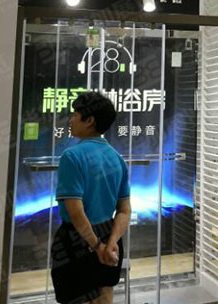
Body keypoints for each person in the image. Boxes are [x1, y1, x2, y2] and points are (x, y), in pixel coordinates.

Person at [51, 92, 132, 304]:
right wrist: (110, 242)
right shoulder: (117, 159)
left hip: (78, 239)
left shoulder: (72, 156)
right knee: (105, 297)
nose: (71, 120)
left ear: (89, 121)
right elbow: (124, 210)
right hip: (110, 235)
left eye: (75, 115)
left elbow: (76, 212)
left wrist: (96, 247)